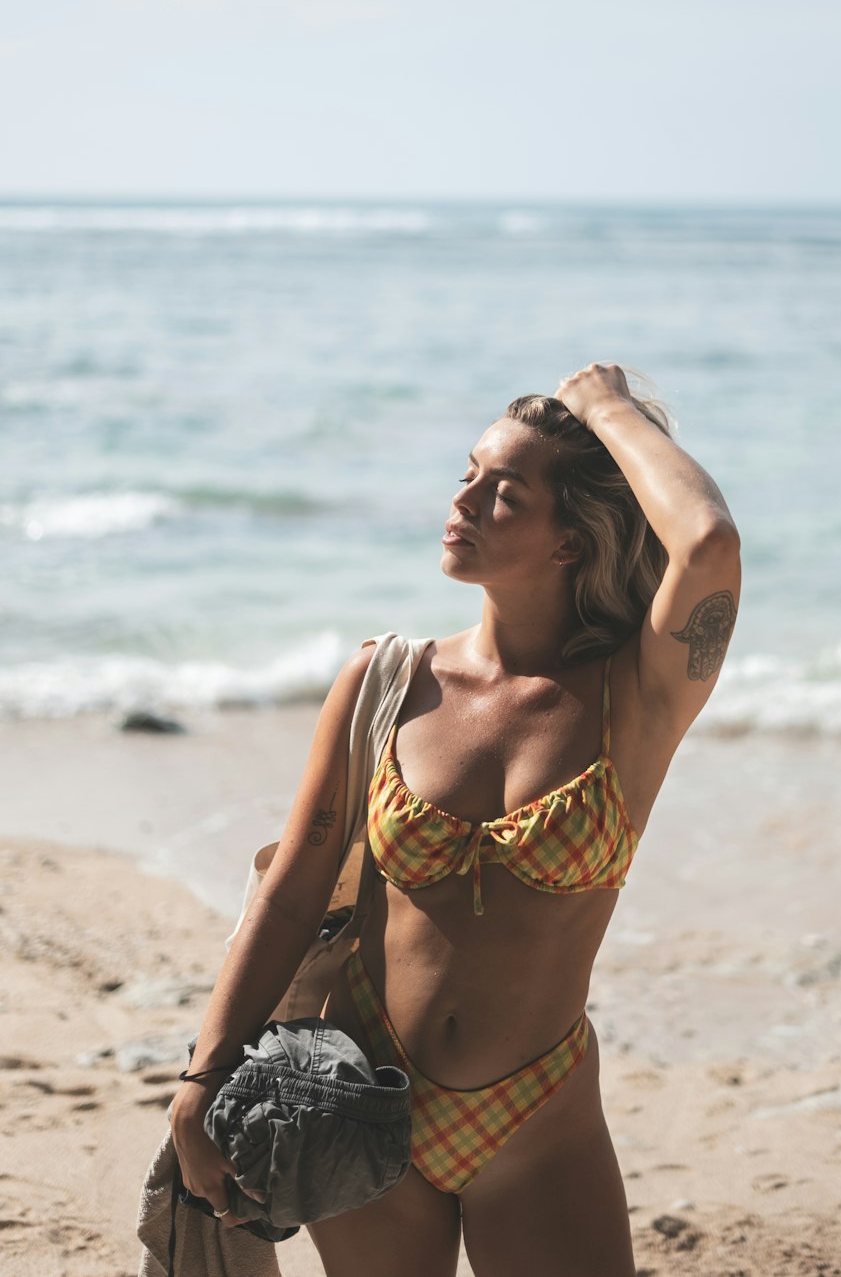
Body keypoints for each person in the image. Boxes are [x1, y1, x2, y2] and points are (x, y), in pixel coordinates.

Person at [172, 362, 741, 1277]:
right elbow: (290, 894)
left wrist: (608, 407)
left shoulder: (633, 700)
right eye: (468, 472)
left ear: (569, 541)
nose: (464, 499)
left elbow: (707, 541)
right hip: (359, 1101)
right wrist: (202, 1076)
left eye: (505, 491)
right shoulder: (388, 682)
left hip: (535, 1120)